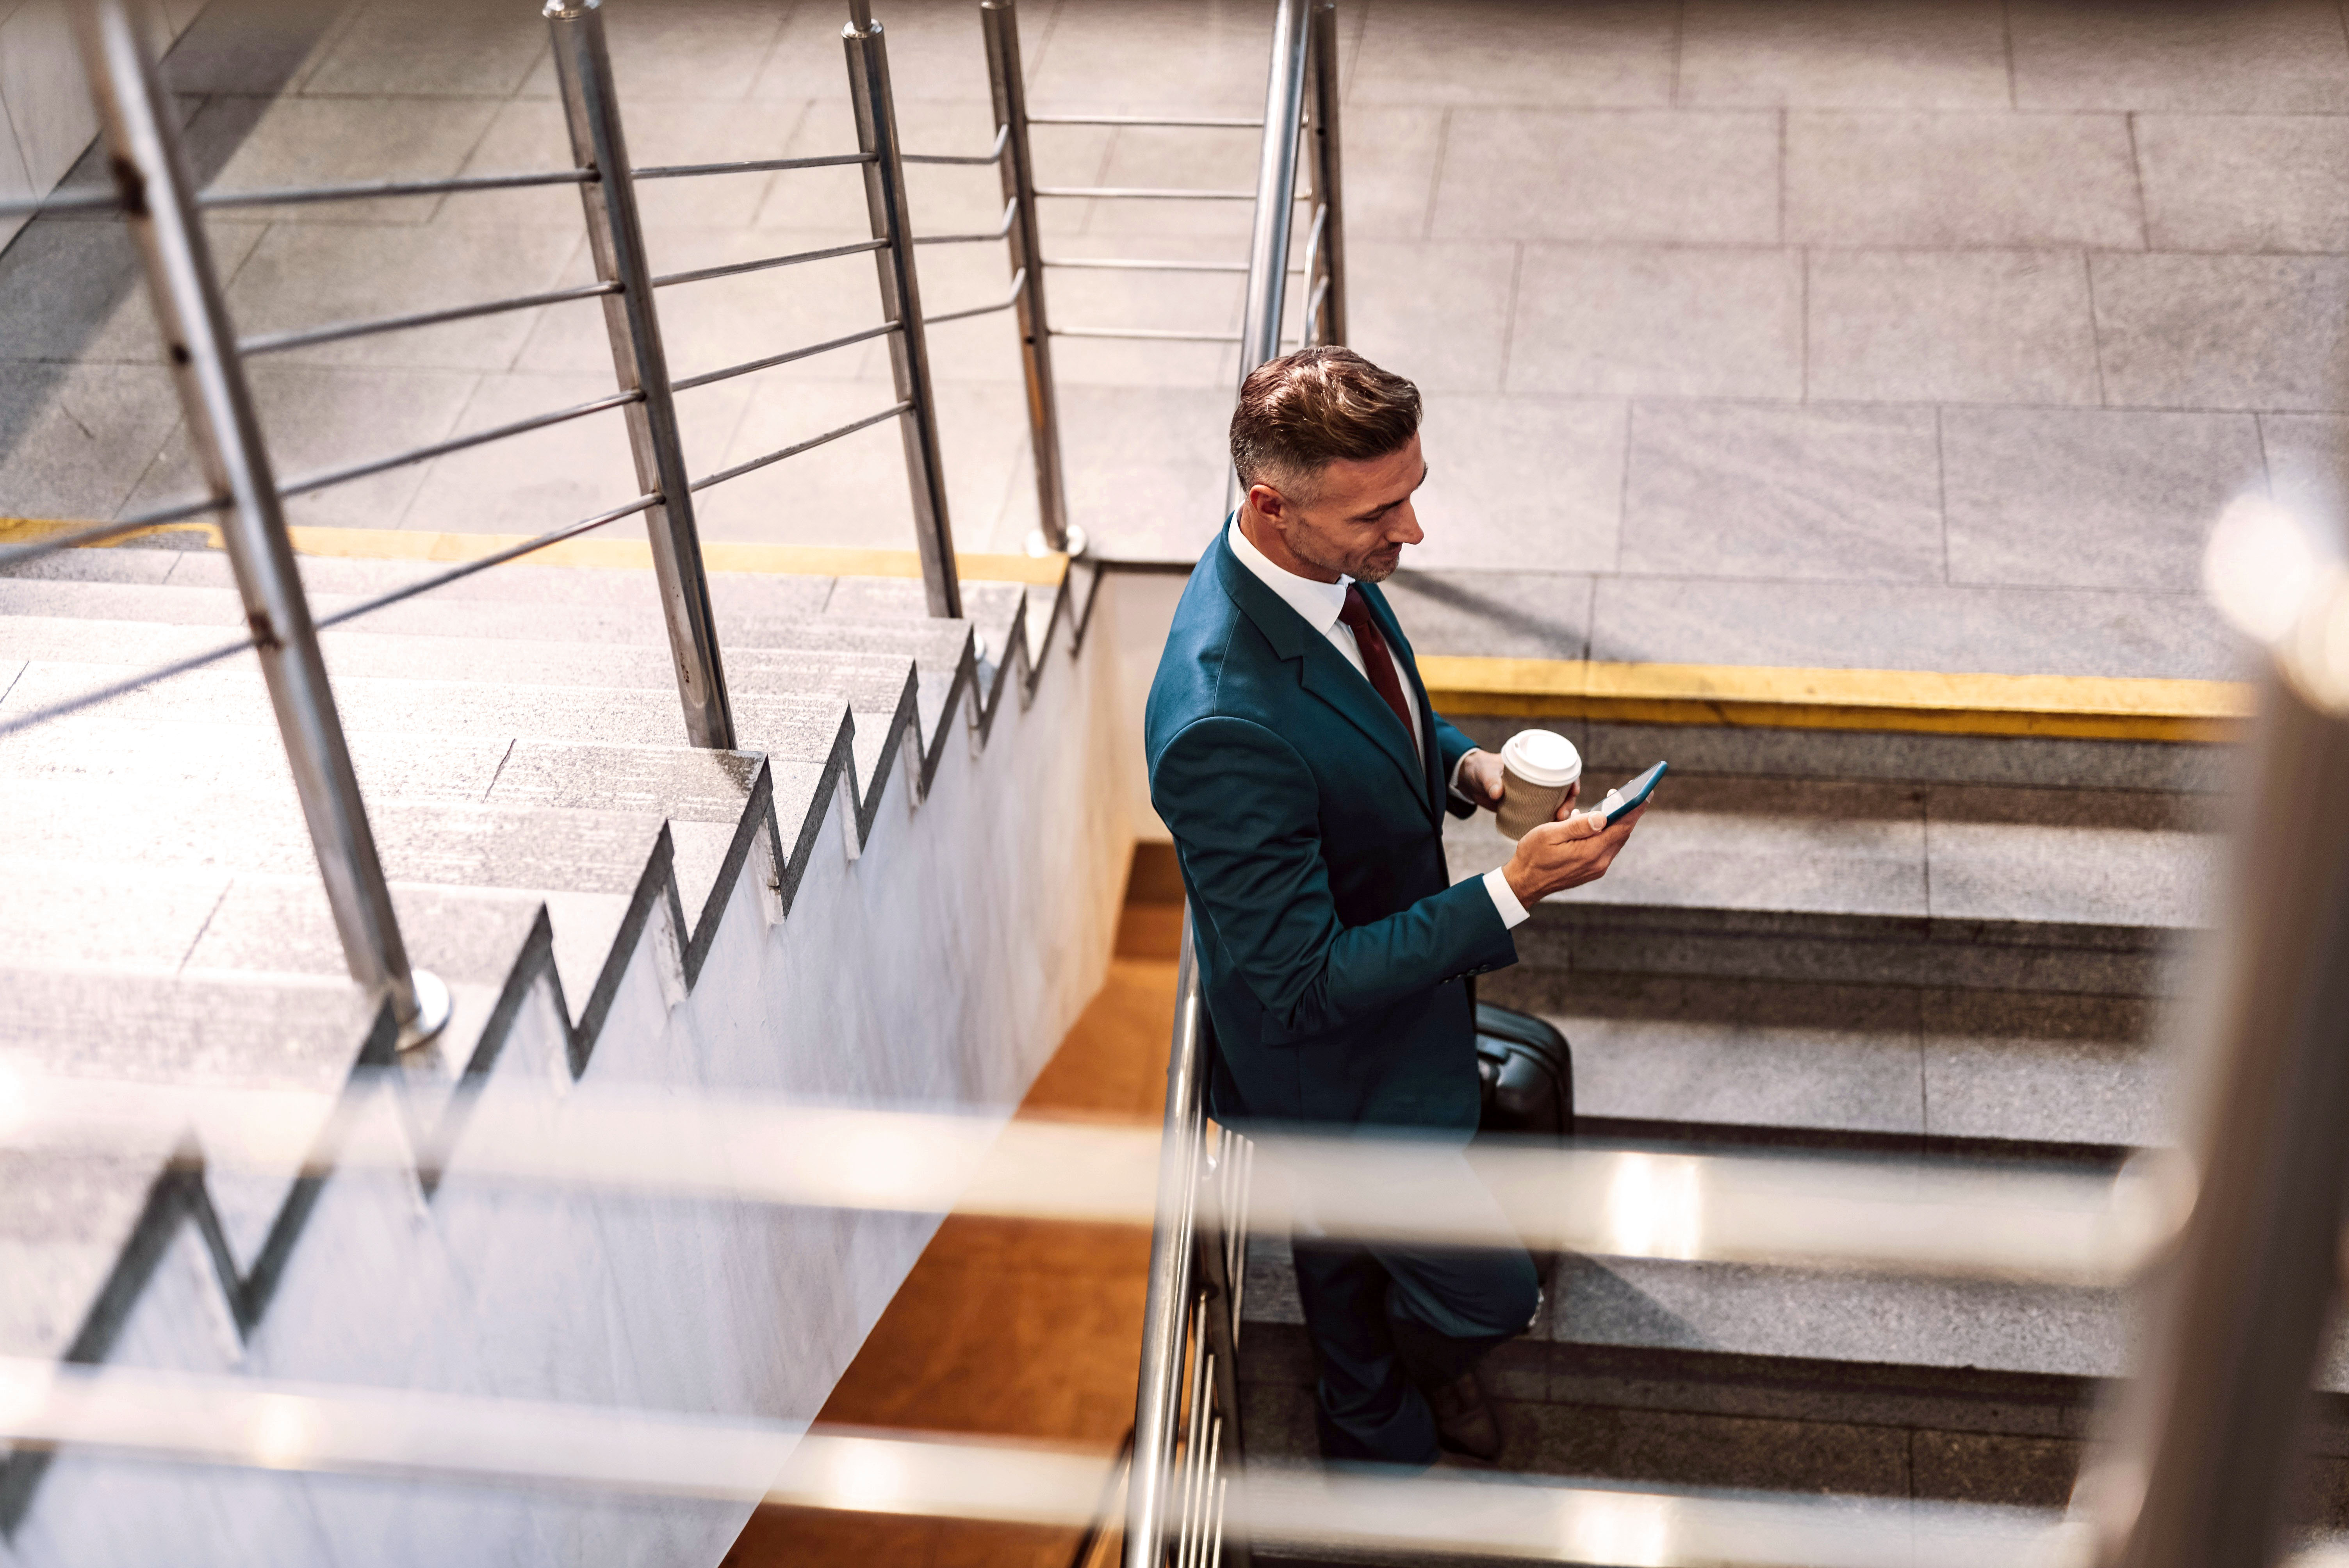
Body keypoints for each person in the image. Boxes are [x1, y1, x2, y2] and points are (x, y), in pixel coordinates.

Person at [1143, 347, 1646, 1469]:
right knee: (1489, 1293)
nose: (1412, 533)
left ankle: (1363, 1421)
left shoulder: (1318, 571)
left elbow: (1381, 720)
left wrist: (1466, 774)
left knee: (1336, 1243)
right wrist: (1509, 892)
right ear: (1272, 507)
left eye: (1413, 491)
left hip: (1393, 1013)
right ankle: (1423, 1372)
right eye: (1384, 509)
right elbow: (1302, 981)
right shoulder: (1222, 722)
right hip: (1336, 1072)